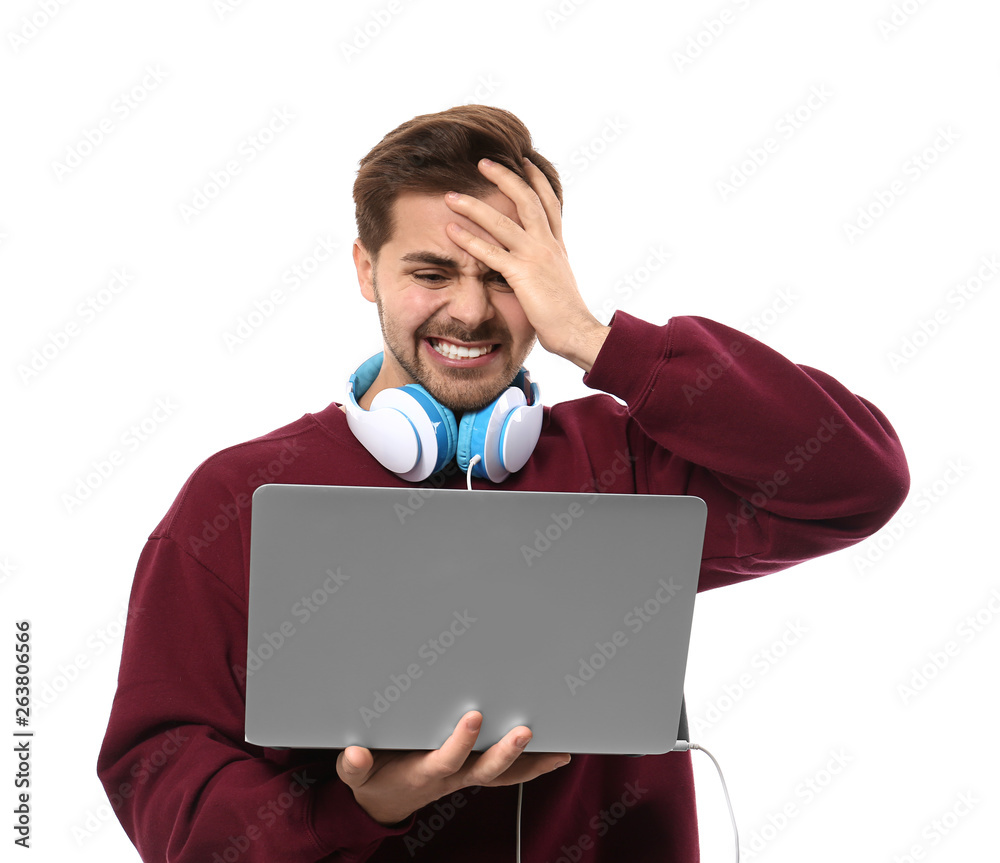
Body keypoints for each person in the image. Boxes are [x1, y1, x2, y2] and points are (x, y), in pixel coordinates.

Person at [97, 104, 910, 861]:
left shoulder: (628, 461)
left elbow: (858, 478)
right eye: (432, 271)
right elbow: (163, 780)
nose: (473, 311)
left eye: (504, 274)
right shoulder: (236, 497)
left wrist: (599, 341)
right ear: (365, 268)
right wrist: (365, 809)